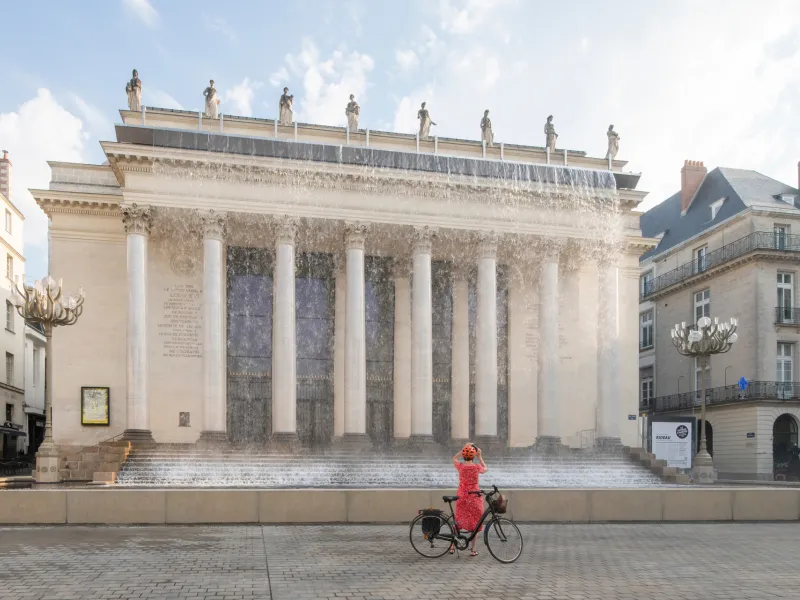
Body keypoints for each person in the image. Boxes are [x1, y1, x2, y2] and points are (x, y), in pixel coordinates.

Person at [450, 443, 487, 557]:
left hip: (462, 496)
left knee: (458, 521)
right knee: (475, 523)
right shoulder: (476, 467)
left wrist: (461, 451)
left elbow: (454, 459)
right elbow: (485, 469)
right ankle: (473, 550)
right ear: (473, 455)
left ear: (464, 455)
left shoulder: (460, 466)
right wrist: (480, 457)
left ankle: (452, 546)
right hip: (474, 497)